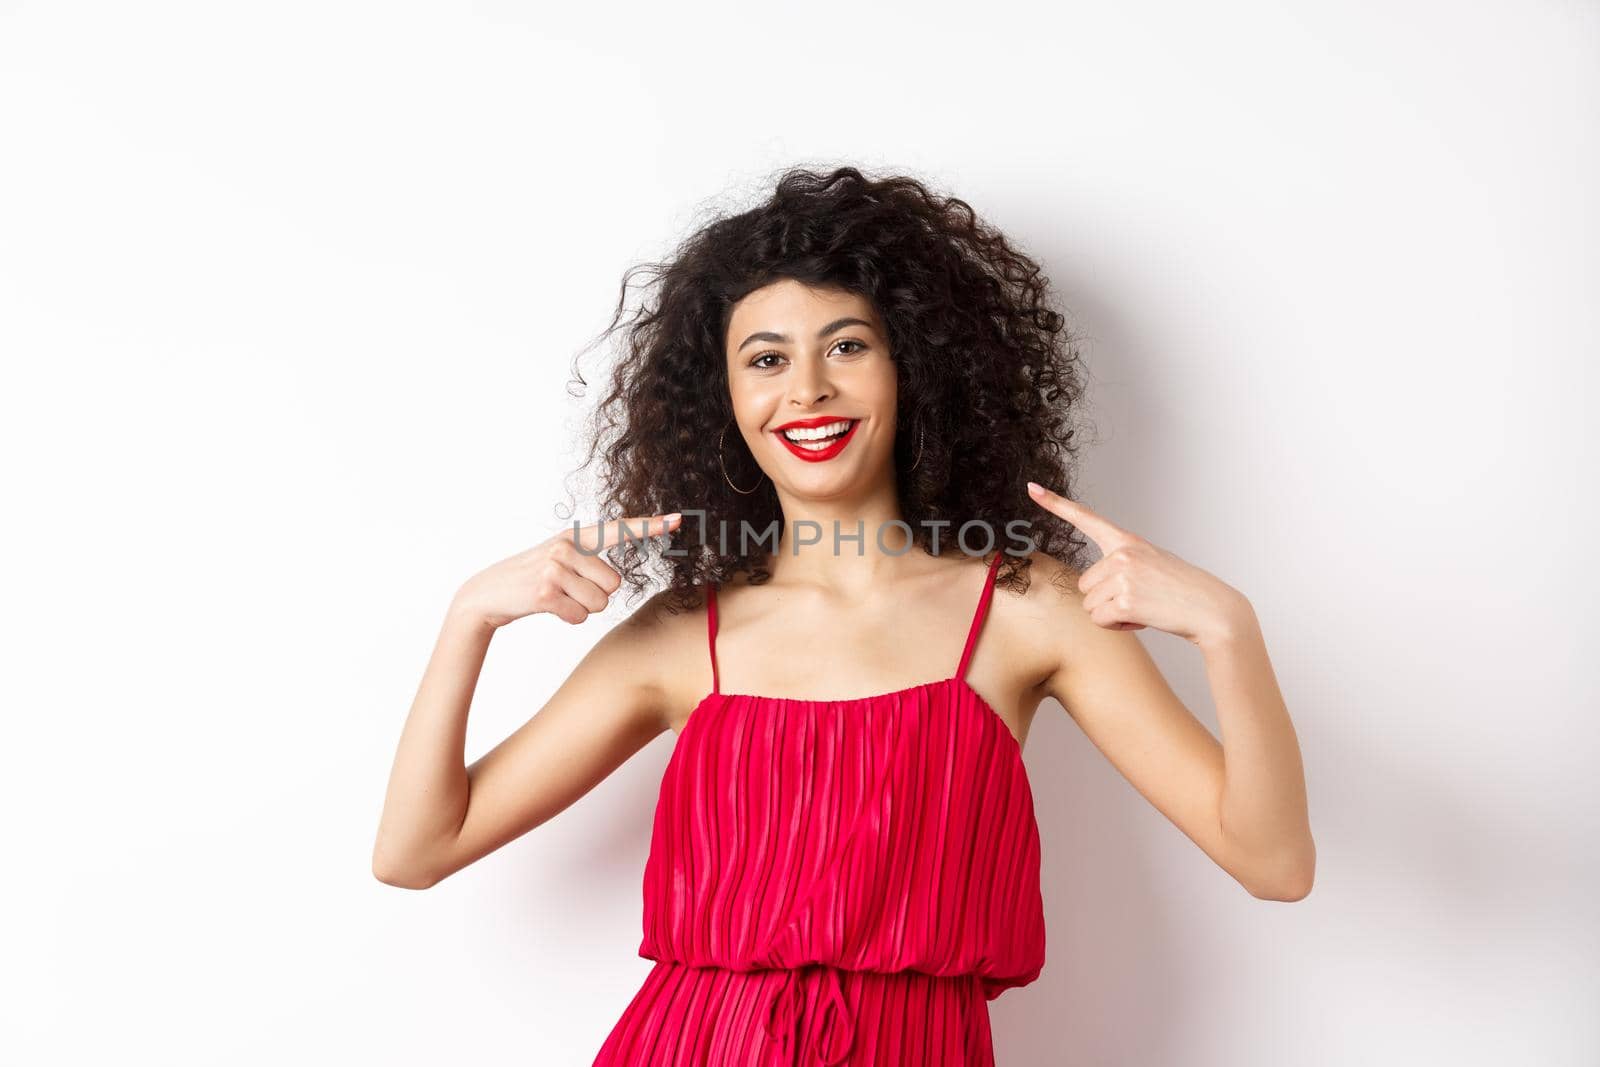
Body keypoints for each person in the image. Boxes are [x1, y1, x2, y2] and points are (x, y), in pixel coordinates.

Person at [372, 166, 1315, 1065]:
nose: (808, 388)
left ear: (916, 369)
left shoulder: (1030, 608)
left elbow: (1273, 862)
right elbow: (416, 851)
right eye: (767, 358)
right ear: (726, 399)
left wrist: (1230, 632)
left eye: (848, 345)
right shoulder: (679, 634)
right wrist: (469, 621)